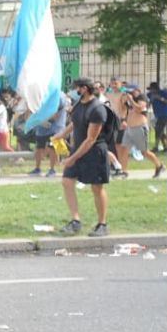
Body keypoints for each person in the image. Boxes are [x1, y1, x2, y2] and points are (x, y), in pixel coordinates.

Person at [56, 78, 111, 237]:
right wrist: (62, 134)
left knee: (97, 188)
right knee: (67, 181)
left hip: (94, 152)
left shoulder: (97, 109)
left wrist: (72, 158)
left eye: (76, 88)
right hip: (78, 149)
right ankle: (75, 221)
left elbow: (91, 139)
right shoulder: (79, 104)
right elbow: (75, 122)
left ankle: (102, 224)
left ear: (84, 88)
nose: (74, 91)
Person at [118, 86, 165, 178]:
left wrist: (131, 100)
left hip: (139, 128)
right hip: (129, 129)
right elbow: (123, 111)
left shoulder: (142, 98)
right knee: (124, 149)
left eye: (132, 91)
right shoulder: (129, 100)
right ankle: (124, 171)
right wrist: (123, 103)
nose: (130, 93)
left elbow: (139, 109)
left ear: (137, 90)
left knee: (144, 151)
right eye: (129, 92)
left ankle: (159, 165)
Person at [147, 81, 167, 152]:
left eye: (151, 89)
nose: (150, 91)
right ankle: (165, 147)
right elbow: (148, 103)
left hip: (165, 114)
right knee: (160, 131)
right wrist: (151, 100)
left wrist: (160, 98)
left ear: (155, 89)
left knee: (158, 129)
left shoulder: (163, 93)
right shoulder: (150, 94)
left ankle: (156, 147)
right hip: (157, 115)